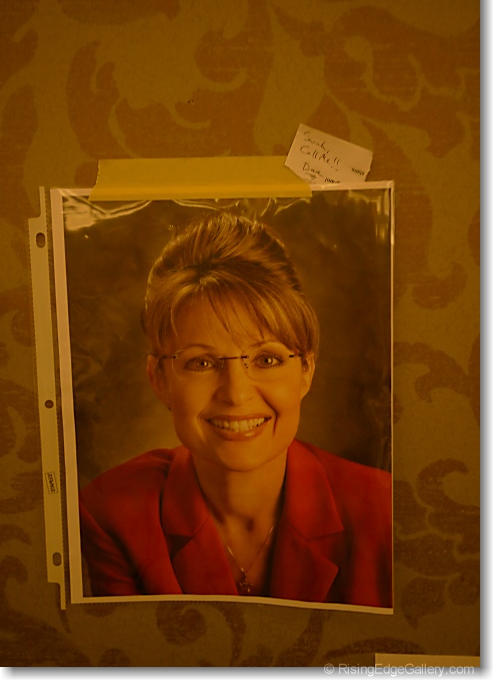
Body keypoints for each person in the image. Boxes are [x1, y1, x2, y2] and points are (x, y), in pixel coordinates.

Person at [79, 212, 392, 607]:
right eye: (202, 362)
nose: (237, 394)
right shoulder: (110, 512)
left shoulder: (386, 509)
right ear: (159, 379)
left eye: (267, 359)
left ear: (306, 371)